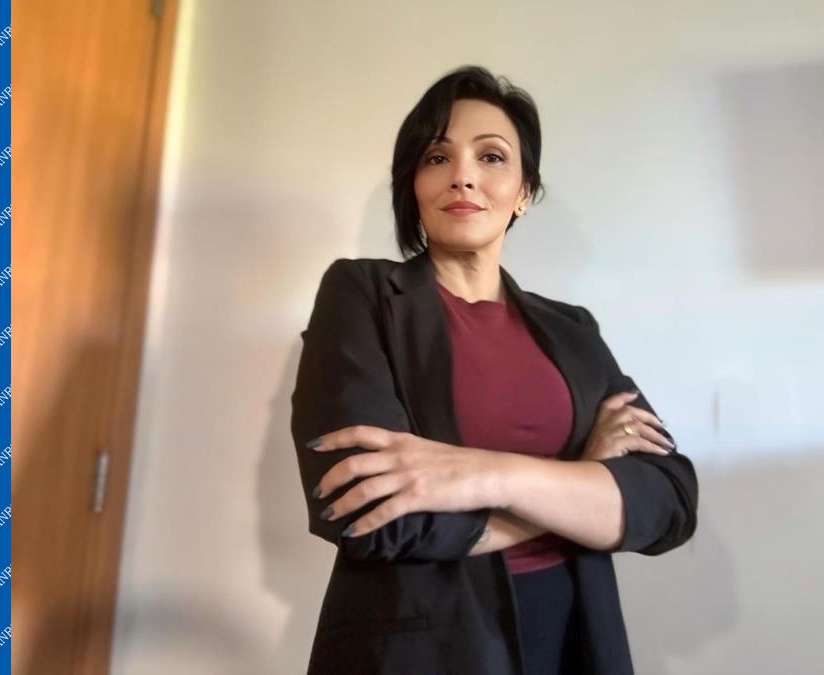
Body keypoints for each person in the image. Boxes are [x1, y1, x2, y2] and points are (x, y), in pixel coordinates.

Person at [290, 65, 698, 675]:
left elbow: (667, 501)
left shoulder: (573, 330)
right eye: (437, 157)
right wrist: (578, 482)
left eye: (491, 156)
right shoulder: (360, 294)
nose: (463, 175)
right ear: (413, 186)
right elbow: (362, 512)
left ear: (523, 191)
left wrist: (487, 475)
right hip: (421, 652)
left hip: (573, 638)